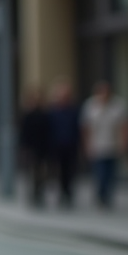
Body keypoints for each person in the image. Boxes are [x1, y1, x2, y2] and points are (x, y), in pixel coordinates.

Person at [81, 80, 128, 209]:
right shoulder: (90, 106)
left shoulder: (117, 105)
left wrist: (124, 143)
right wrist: (87, 145)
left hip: (113, 146)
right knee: (100, 173)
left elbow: (123, 126)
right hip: (97, 146)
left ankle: (108, 196)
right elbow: (86, 127)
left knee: (111, 174)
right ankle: (101, 196)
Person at [48, 78, 81, 209]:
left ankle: (68, 192)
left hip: (71, 145)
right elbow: (49, 129)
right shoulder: (53, 111)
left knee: (71, 171)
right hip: (57, 145)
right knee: (60, 171)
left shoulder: (74, 110)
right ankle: (62, 192)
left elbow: (78, 128)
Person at [19, 87, 51, 208]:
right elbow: (24, 133)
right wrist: (24, 148)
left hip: (42, 148)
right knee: (32, 172)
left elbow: (48, 132)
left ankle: (40, 191)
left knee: (42, 172)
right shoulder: (28, 115)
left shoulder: (45, 114)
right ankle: (33, 193)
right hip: (31, 149)